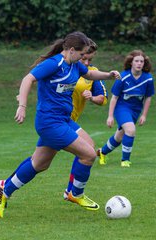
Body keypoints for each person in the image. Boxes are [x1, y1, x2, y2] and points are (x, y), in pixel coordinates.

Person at [0, 31, 120, 218]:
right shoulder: (54, 64)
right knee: (88, 154)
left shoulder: (75, 65)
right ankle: (74, 193)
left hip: (63, 120)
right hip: (50, 122)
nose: (84, 57)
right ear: (70, 50)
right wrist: (22, 105)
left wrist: (109, 75)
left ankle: (4, 188)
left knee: (40, 163)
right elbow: (28, 79)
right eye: (82, 54)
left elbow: (91, 75)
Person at [63, 38, 108, 200]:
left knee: (39, 163)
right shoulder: (66, 67)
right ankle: (73, 192)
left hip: (68, 120)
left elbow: (102, 99)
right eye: (84, 58)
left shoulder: (92, 73)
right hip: (58, 119)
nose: (87, 62)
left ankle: (71, 192)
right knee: (39, 163)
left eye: (90, 59)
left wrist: (92, 97)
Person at [97, 50, 155, 167]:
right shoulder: (122, 77)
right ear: (131, 63)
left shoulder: (148, 79)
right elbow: (114, 98)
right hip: (122, 108)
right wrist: (110, 116)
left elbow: (148, 98)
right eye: (136, 61)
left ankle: (102, 152)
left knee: (119, 136)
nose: (139, 63)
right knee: (131, 130)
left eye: (141, 61)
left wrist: (144, 115)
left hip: (135, 110)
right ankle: (125, 160)